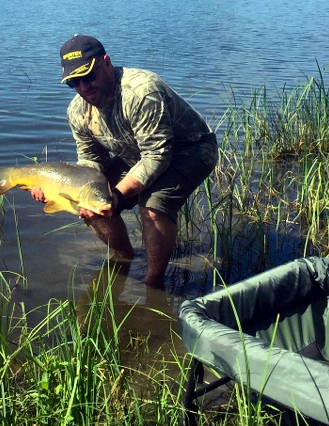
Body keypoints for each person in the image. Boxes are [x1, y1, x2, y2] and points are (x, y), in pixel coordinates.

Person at [31, 35, 217, 289]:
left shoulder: (141, 92)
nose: (84, 87)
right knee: (92, 201)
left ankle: (153, 285)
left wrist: (116, 194)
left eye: (89, 76)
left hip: (190, 150)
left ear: (106, 63)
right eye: (75, 82)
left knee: (153, 204)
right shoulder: (77, 111)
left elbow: (156, 155)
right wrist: (79, 190)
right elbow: (91, 160)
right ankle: (124, 257)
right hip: (136, 156)